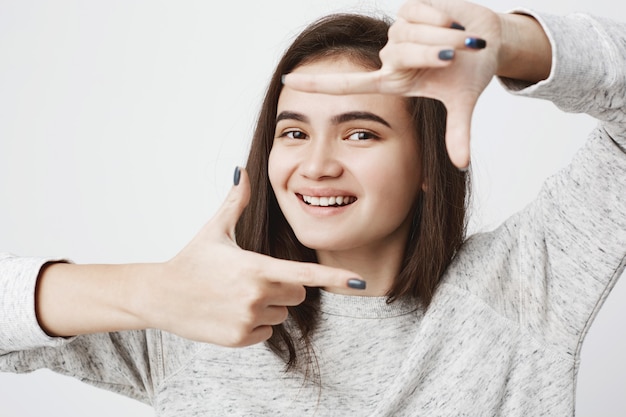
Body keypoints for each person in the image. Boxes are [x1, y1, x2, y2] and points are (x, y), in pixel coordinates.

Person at [1, 0, 625, 415]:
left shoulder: (521, 289)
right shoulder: (198, 313)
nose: (317, 164)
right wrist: (151, 292)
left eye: (361, 133)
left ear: (430, 167)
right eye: (294, 132)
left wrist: (514, 42)